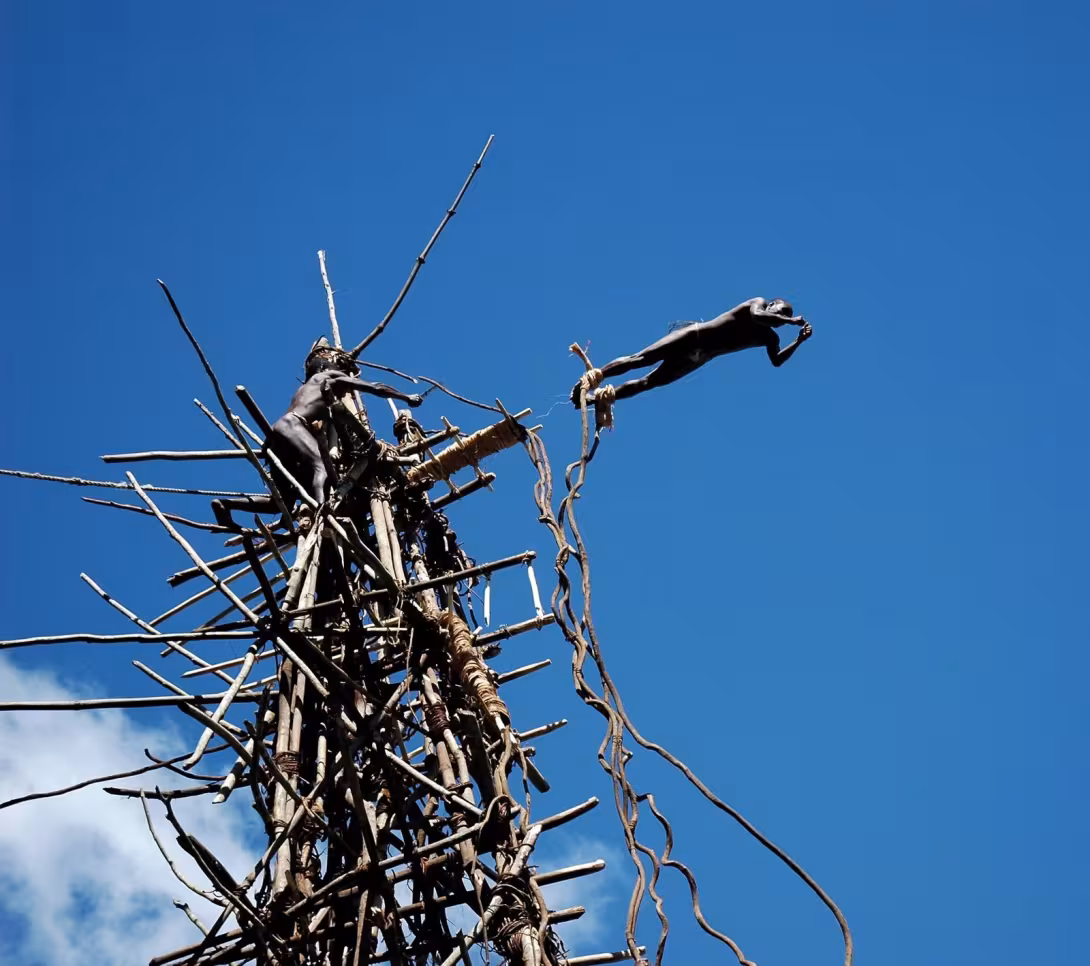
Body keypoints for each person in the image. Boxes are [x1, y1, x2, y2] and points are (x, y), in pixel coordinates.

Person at [212, 370, 423, 531]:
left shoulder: (309, 393)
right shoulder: (330, 378)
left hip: (277, 438)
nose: (346, 393)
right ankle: (324, 510)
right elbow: (376, 387)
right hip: (293, 425)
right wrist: (406, 397)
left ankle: (226, 505)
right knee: (320, 466)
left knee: (281, 502)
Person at [570, 298, 813, 405]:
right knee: (641, 359)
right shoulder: (757, 304)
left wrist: (798, 341)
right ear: (772, 305)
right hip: (694, 335)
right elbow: (758, 315)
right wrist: (791, 321)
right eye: (779, 313)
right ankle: (594, 378)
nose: (779, 320)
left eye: (782, 319)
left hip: (700, 356)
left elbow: (777, 361)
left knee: (649, 382)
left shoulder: (770, 337)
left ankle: (593, 400)